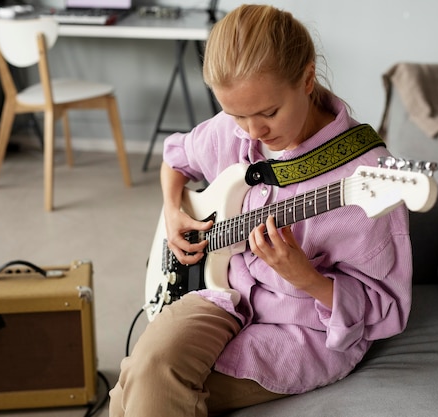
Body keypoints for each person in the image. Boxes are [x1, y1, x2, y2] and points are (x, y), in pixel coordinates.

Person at [109, 4, 412, 416]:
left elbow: (382, 307)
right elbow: (175, 159)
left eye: (269, 113)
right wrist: (171, 211)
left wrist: (304, 276)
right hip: (220, 293)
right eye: (237, 114)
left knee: (139, 391)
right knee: (147, 369)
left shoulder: (367, 174)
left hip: (302, 328)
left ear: (307, 79)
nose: (253, 131)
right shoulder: (235, 129)